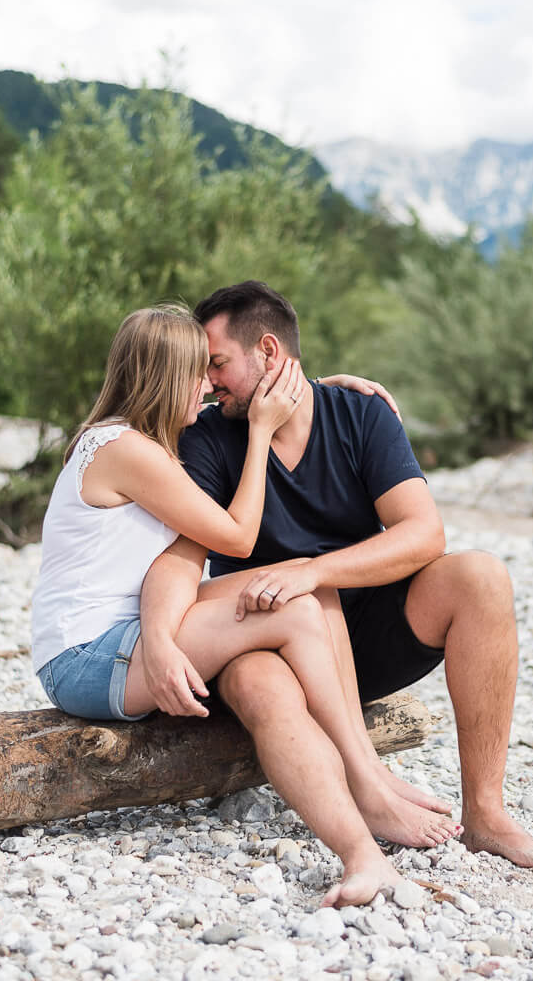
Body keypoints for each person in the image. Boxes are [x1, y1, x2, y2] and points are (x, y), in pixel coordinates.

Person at [141, 281, 533, 873]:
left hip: (365, 636)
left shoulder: (360, 414)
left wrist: (312, 571)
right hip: (265, 640)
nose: (209, 382)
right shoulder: (209, 436)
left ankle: (487, 814)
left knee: (482, 577)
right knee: (291, 632)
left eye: (217, 364)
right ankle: (363, 798)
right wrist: (161, 639)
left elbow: (424, 534)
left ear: (269, 353)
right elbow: (182, 553)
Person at [30, 303, 448, 907]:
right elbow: (236, 538)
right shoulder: (124, 449)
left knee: (305, 587)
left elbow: (253, 399)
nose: (208, 385)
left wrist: (319, 389)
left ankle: (364, 834)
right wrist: (258, 433)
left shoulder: (142, 443)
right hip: (87, 658)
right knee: (295, 599)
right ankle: (366, 781)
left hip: (119, 641)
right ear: (167, 377)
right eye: (199, 372)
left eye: (214, 368)